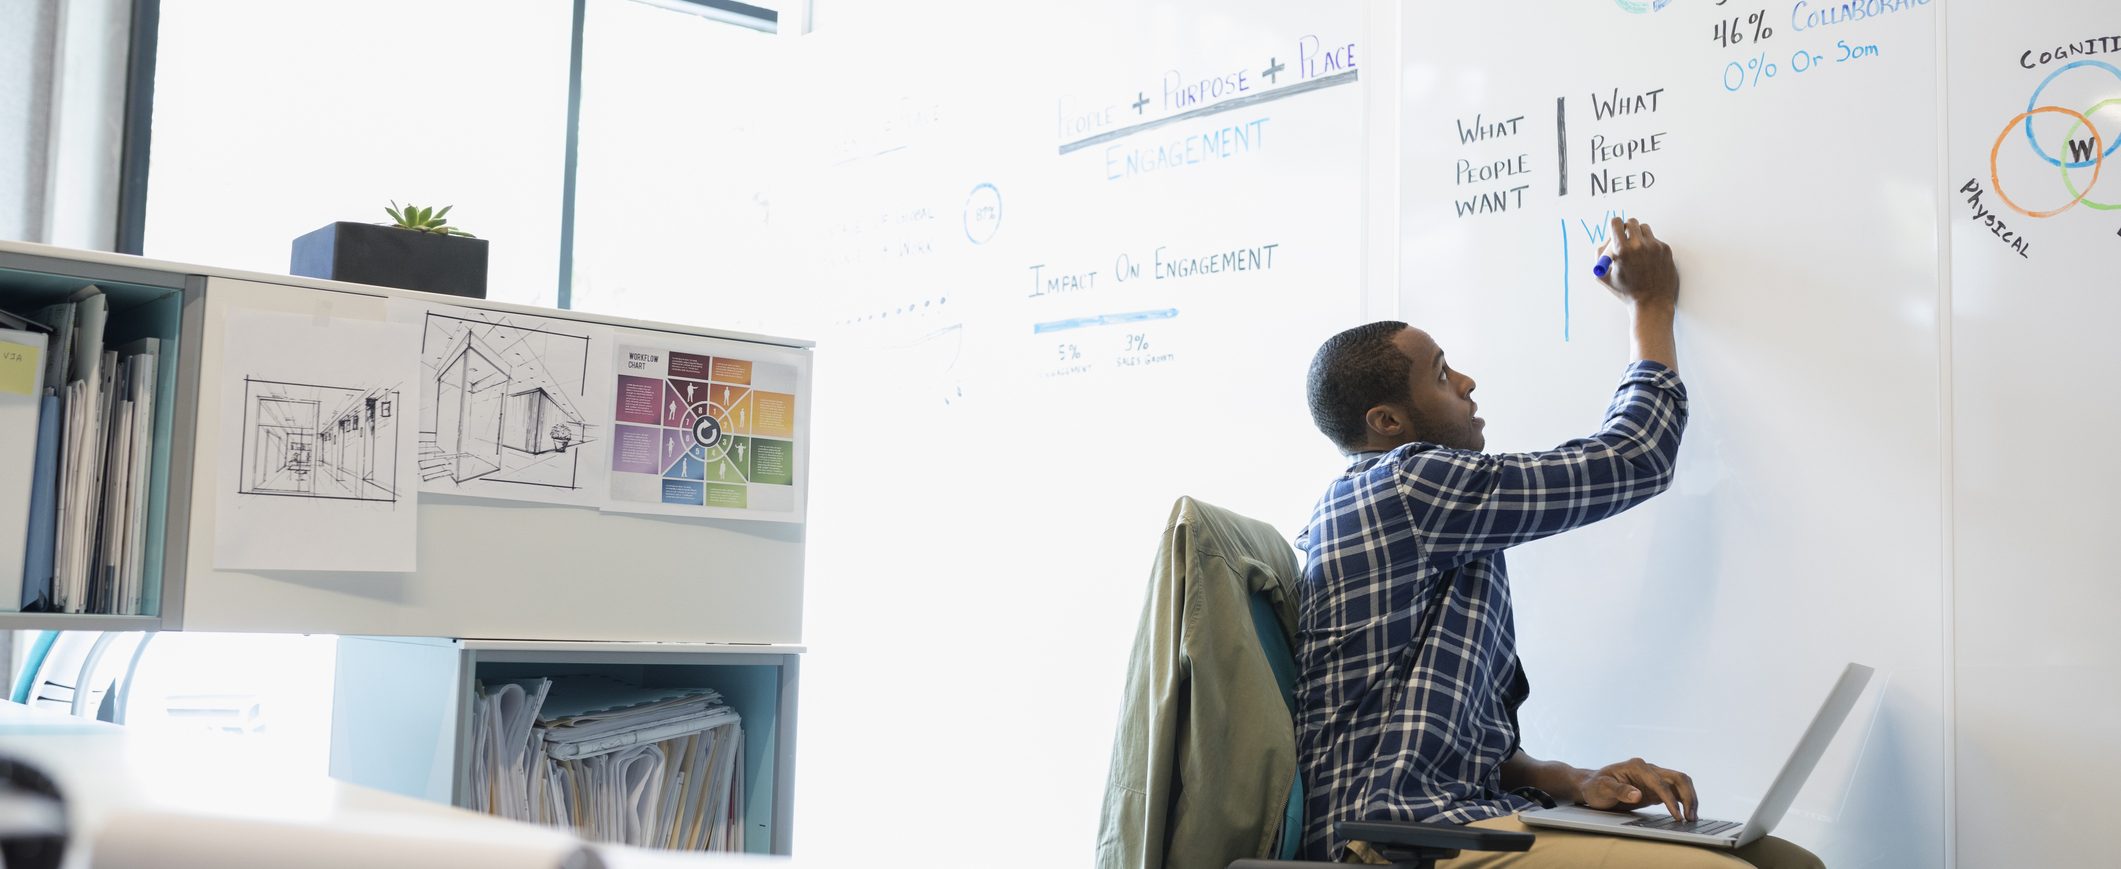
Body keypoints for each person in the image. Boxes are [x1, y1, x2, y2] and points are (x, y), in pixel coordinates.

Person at [1294, 219, 1820, 868]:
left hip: (1462, 820)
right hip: (1393, 841)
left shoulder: (1417, 513)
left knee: (1781, 861)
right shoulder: (1406, 487)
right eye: (1439, 375)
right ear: (1386, 422)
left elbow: (1463, 746)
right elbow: (1635, 459)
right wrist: (1651, 304)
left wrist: (1576, 779)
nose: (1466, 382)